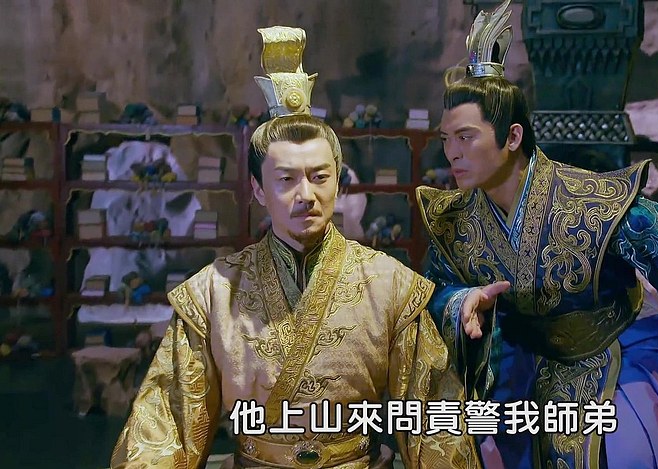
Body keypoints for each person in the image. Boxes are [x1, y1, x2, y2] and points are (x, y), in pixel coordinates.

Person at [112, 25, 481, 469]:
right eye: (286, 179)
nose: (306, 195)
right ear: (258, 189)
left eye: (320, 177)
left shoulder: (390, 286)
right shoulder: (212, 293)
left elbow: (434, 421)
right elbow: (166, 424)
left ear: (339, 183)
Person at [416, 1, 658, 468]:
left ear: (512, 137)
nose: (452, 153)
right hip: (515, 368)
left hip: (611, 357)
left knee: (631, 456)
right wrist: (459, 303)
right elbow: (432, 290)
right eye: (445, 139)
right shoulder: (455, 219)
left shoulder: (589, 203)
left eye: (466, 137)